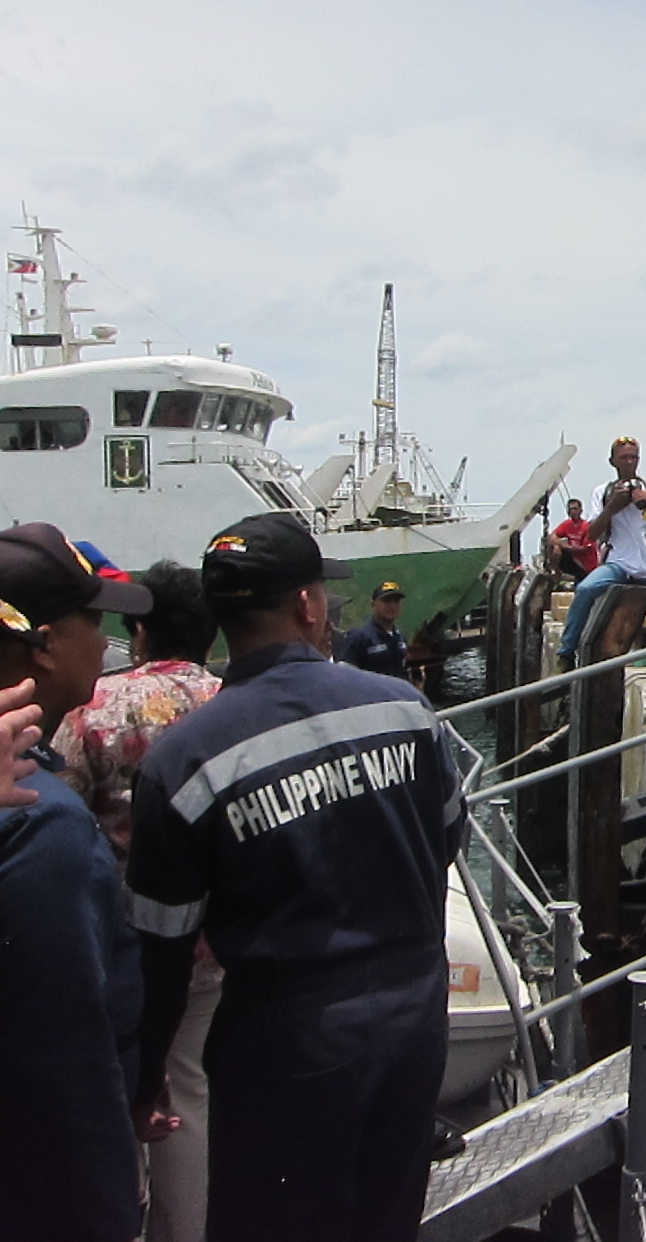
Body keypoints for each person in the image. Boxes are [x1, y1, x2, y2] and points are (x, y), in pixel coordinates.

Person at [126, 513, 466, 1242]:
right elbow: (446, 839)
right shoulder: (407, 710)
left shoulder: (182, 762)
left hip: (285, 1044)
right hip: (412, 1022)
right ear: (309, 606)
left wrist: (147, 1070)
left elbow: (162, 948)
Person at [51, 560, 221, 1242]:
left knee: (118, 1095)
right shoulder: (231, 702)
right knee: (190, 1094)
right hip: (215, 943)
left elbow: (58, 811)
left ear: (141, 633)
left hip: (118, 944)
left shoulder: (98, 713)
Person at [0, 522, 153, 1242]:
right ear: (44, 644)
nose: (105, 641)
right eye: (94, 620)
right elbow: (62, 1070)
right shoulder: (41, 823)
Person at [556, 438, 646, 709]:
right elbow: (592, 535)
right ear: (613, 462)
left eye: (634, 457)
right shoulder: (603, 491)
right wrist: (613, 507)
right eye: (624, 458)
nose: (630, 462)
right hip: (620, 564)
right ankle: (565, 654)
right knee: (586, 589)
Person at [338, 580, 411, 680]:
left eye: (396, 601)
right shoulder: (359, 637)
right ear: (373, 604)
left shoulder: (400, 637)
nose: (392, 605)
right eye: (386, 600)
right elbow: (344, 675)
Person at [548, 497, 599, 581]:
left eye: (575, 509)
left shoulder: (586, 526)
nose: (572, 512)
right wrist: (558, 545)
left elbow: (584, 549)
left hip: (586, 564)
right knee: (554, 547)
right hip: (573, 559)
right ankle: (556, 573)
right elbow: (552, 536)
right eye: (570, 509)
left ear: (580, 511)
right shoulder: (567, 524)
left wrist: (567, 547)